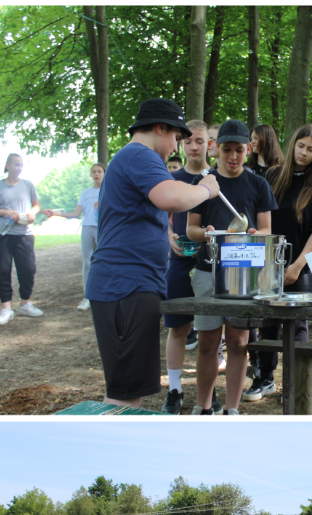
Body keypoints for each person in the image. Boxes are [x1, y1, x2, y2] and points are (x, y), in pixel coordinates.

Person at [86, 99, 219, 408]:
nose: (176, 147)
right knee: (123, 396)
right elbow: (170, 197)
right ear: (160, 128)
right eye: (176, 137)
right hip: (124, 286)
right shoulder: (140, 155)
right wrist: (208, 188)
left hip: (130, 286)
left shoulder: (135, 158)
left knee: (129, 390)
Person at [183, 118, 275, 413]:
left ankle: (232, 410)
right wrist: (207, 232)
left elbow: (265, 229)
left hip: (244, 273)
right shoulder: (204, 184)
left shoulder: (258, 184)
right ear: (215, 149)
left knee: (238, 344)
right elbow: (191, 230)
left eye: (239, 150)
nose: (233, 156)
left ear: (248, 149)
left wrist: (253, 236)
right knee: (208, 344)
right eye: (226, 150)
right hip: (208, 270)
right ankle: (204, 408)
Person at [248, 124, 312, 405]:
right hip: (268, 266)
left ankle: (296, 384)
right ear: (292, 144)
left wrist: (297, 266)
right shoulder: (272, 176)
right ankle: (265, 377)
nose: (304, 153)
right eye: (301, 146)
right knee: (268, 323)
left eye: (311, 149)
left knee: (297, 327)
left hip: (302, 266)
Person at [160, 119, 213, 414]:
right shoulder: (172, 178)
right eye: (189, 141)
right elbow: (161, 216)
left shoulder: (216, 179)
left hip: (211, 265)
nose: (194, 147)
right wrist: (169, 236)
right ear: (181, 143)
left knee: (210, 332)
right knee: (178, 328)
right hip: (179, 262)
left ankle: (209, 391)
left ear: (209, 145)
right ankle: (175, 391)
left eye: (200, 141)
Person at [0, 153, 44, 325]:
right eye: (16, 164)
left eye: (21, 165)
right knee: (3, 270)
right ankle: (6, 308)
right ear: (8, 166)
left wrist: (33, 213)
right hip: (2, 234)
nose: (19, 168)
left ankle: (25, 304)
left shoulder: (28, 185)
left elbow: (36, 205)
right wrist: (6, 212)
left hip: (24, 233)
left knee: (28, 269)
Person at [45, 163, 105, 312]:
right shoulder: (85, 193)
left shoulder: (109, 190)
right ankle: (87, 297)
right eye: (93, 172)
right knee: (86, 262)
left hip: (102, 229)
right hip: (87, 228)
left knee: (104, 261)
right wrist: (55, 213)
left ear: (104, 174)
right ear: (90, 175)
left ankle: (104, 294)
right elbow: (75, 213)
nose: (96, 174)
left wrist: (104, 205)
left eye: (99, 171)